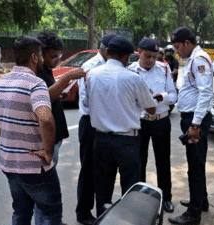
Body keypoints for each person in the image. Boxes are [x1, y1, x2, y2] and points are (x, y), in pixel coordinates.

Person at [0, 36, 75, 224]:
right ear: (34, 57)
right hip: (34, 166)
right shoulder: (35, 84)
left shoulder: (2, 82)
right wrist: (48, 152)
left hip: (10, 163)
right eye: (41, 55)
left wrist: (3, 137)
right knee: (51, 213)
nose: (42, 59)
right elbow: (46, 119)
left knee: (21, 213)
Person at [83, 35, 157, 217]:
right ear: (127, 57)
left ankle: (103, 218)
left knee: (102, 187)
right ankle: (127, 221)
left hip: (100, 139)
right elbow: (151, 108)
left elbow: (86, 103)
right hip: (126, 142)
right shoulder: (133, 78)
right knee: (130, 188)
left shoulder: (92, 75)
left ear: (107, 52)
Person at [36, 31, 85, 225]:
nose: (57, 60)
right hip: (45, 140)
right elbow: (42, 97)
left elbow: (48, 95)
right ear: (39, 54)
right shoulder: (36, 72)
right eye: (53, 56)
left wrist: (60, 94)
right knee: (46, 190)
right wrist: (67, 78)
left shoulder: (45, 70)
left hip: (55, 138)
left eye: (59, 56)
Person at [168, 27, 214, 225]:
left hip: (195, 120)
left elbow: (205, 92)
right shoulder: (194, 59)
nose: (177, 51)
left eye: (178, 47)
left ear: (188, 43)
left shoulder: (199, 60)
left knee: (195, 167)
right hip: (192, 118)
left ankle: (193, 214)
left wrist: (195, 124)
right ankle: (200, 200)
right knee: (197, 163)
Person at [128, 37, 177, 213]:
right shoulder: (131, 71)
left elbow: (174, 95)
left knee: (163, 161)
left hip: (161, 121)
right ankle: (138, 199)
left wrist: (160, 96)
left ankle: (166, 198)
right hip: (140, 122)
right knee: (138, 162)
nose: (150, 60)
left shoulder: (164, 70)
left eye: (154, 56)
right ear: (139, 52)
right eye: (147, 55)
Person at [75, 33, 117, 225]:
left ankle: (103, 210)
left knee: (105, 170)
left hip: (106, 123)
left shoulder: (112, 65)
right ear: (107, 51)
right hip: (91, 123)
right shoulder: (91, 67)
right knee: (89, 169)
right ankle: (83, 212)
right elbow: (87, 100)